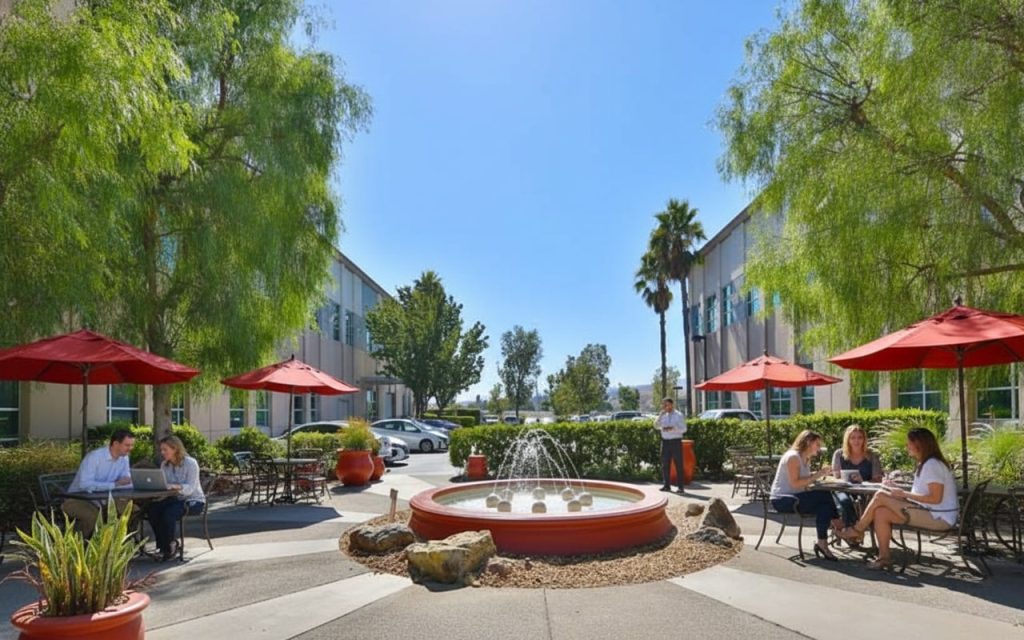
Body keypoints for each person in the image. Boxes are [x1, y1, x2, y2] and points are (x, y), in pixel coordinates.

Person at [838, 428, 958, 570]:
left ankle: (858, 529)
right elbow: (922, 493)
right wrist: (897, 488)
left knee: (880, 495)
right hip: (928, 512)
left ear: (919, 444)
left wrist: (903, 494)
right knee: (880, 512)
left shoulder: (932, 465)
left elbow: (935, 499)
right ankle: (884, 558)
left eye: (909, 443)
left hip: (940, 518)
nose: (906, 446)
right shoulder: (926, 463)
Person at [770, 429, 840, 561]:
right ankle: (839, 524)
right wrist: (817, 475)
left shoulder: (805, 458)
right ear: (808, 442)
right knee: (823, 496)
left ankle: (822, 543)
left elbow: (805, 483)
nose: (819, 448)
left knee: (824, 507)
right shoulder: (793, 457)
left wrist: (820, 477)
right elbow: (795, 483)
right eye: (817, 444)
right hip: (782, 499)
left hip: (795, 497)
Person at [62, 428, 135, 536]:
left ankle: (121, 547)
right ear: (115, 444)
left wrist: (134, 482)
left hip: (105, 500)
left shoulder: (124, 458)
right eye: (127, 445)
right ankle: (77, 547)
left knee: (133, 511)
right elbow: (85, 484)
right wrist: (114, 484)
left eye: (132, 445)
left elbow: (126, 482)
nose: (130, 448)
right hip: (77, 499)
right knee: (93, 516)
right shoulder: (94, 457)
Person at [147, 435, 206, 561]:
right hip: (173, 499)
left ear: (175, 449)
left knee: (169, 513)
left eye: (165, 450)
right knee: (152, 511)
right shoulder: (165, 465)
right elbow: (165, 486)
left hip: (193, 501)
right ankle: (163, 546)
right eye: (161, 450)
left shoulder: (191, 463)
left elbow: (190, 488)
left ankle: (169, 548)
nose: (162, 453)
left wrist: (176, 487)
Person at [831, 424, 883, 530]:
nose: (856, 441)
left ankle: (853, 531)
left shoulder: (872, 455)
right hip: (843, 489)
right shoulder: (839, 454)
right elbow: (836, 476)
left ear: (864, 439)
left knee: (863, 503)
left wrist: (863, 481)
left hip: (866, 491)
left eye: (860, 437)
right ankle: (853, 530)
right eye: (852, 438)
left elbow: (877, 479)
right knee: (845, 501)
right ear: (847, 440)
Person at [654, 397, 686, 494]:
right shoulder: (662, 415)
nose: (665, 407)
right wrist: (660, 416)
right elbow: (655, 426)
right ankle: (666, 485)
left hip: (675, 442)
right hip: (665, 442)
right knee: (665, 464)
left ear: (672, 404)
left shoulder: (679, 415)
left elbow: (684, 429)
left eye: (666, 404)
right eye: (663, 405)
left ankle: (681, 487)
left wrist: (674, 428)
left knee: (678, 464)